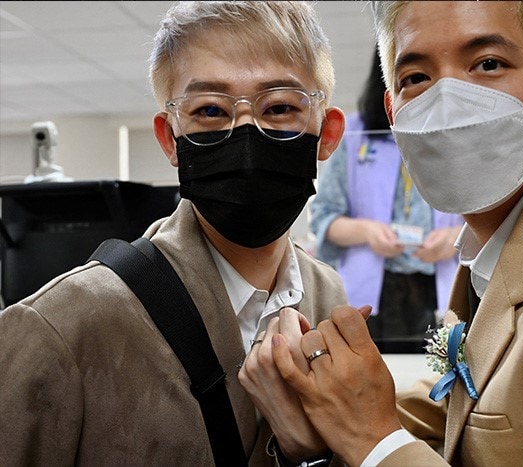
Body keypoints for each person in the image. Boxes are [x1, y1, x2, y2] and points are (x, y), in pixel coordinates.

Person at [243, 1, 523, 466]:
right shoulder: (498, 244)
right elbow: (456, 410)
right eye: (416, 79)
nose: (448, 103)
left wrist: (372, 440)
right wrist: (318, 420)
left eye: (488, 64)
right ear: (393, 110)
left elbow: (387, 435)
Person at [0, 1, 347, 465]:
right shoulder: (62, 326)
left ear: (326, 134)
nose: (245, 134)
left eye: (280, 107)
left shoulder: (329, 298)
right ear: (171, 140)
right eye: (209, 110)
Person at [310, 47, 462, 342]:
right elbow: (324, 216)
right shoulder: (355, 134)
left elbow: (490, 217)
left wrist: (456, 240)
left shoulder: (459, 135)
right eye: (412, 77)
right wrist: (366, 232)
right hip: (373, 291)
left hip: (441, 285)